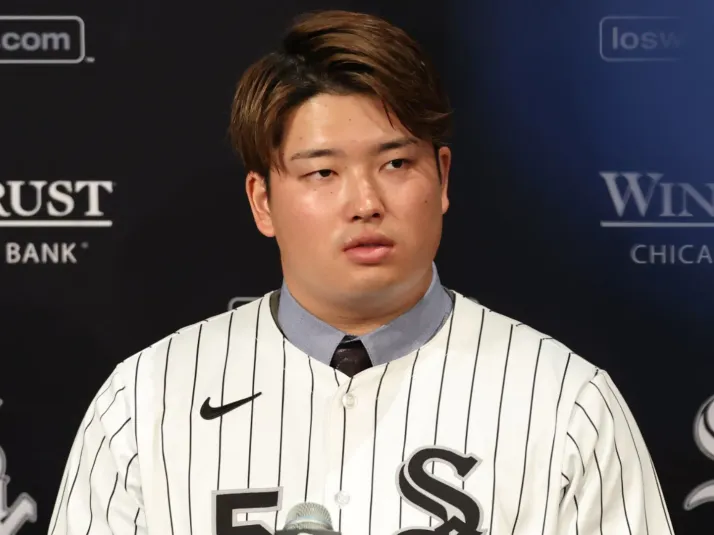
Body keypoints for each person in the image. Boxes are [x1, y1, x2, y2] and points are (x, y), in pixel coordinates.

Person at [48, 9, 674, 535]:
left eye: (396, 164)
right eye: (323, 172)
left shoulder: (565, 400)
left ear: (443, 177)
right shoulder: (146, 400)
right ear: (263, 201)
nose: (366, 202)